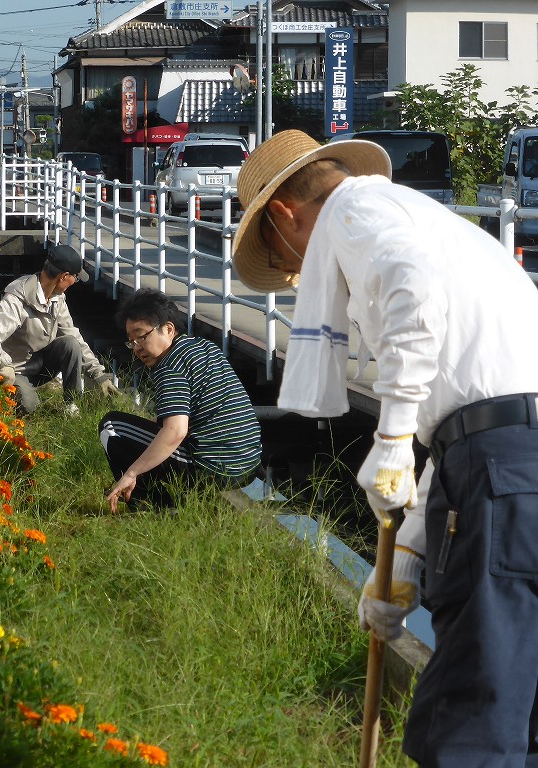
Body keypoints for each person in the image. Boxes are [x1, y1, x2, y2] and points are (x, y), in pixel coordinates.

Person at [232, 129, 538, 765]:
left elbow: (412, 295)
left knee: (473, 714)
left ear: (284, 214)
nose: (293, 271)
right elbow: (463, 422)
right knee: (523, 703)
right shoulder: (430, 222)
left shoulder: (353, 210)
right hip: (507, 460)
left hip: (504, 471)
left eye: (282, 254)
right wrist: (403, 559)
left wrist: (392, 433)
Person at [101, 289, 261, 514]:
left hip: (215, 468)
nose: (136, 347)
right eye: (131, 341)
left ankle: (150, 506)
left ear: (168, 329)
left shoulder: (170, 366)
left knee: (112, 426)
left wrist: (131, 472)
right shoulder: (202, 347)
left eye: (142, 336)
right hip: (248, 464)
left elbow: (176, 431)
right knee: (150, 429)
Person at [0, 243, 118, 415]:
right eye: (75, 277)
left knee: (70, 343)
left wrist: (97, 373)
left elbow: (73, 335)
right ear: (64, 277)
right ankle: (21, 393)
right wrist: (2, 364)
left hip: (39, 365)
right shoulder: (18, 298)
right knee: (29, 406)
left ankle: (71, 405)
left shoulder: (58, 298)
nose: (75, 282)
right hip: (15, 370)